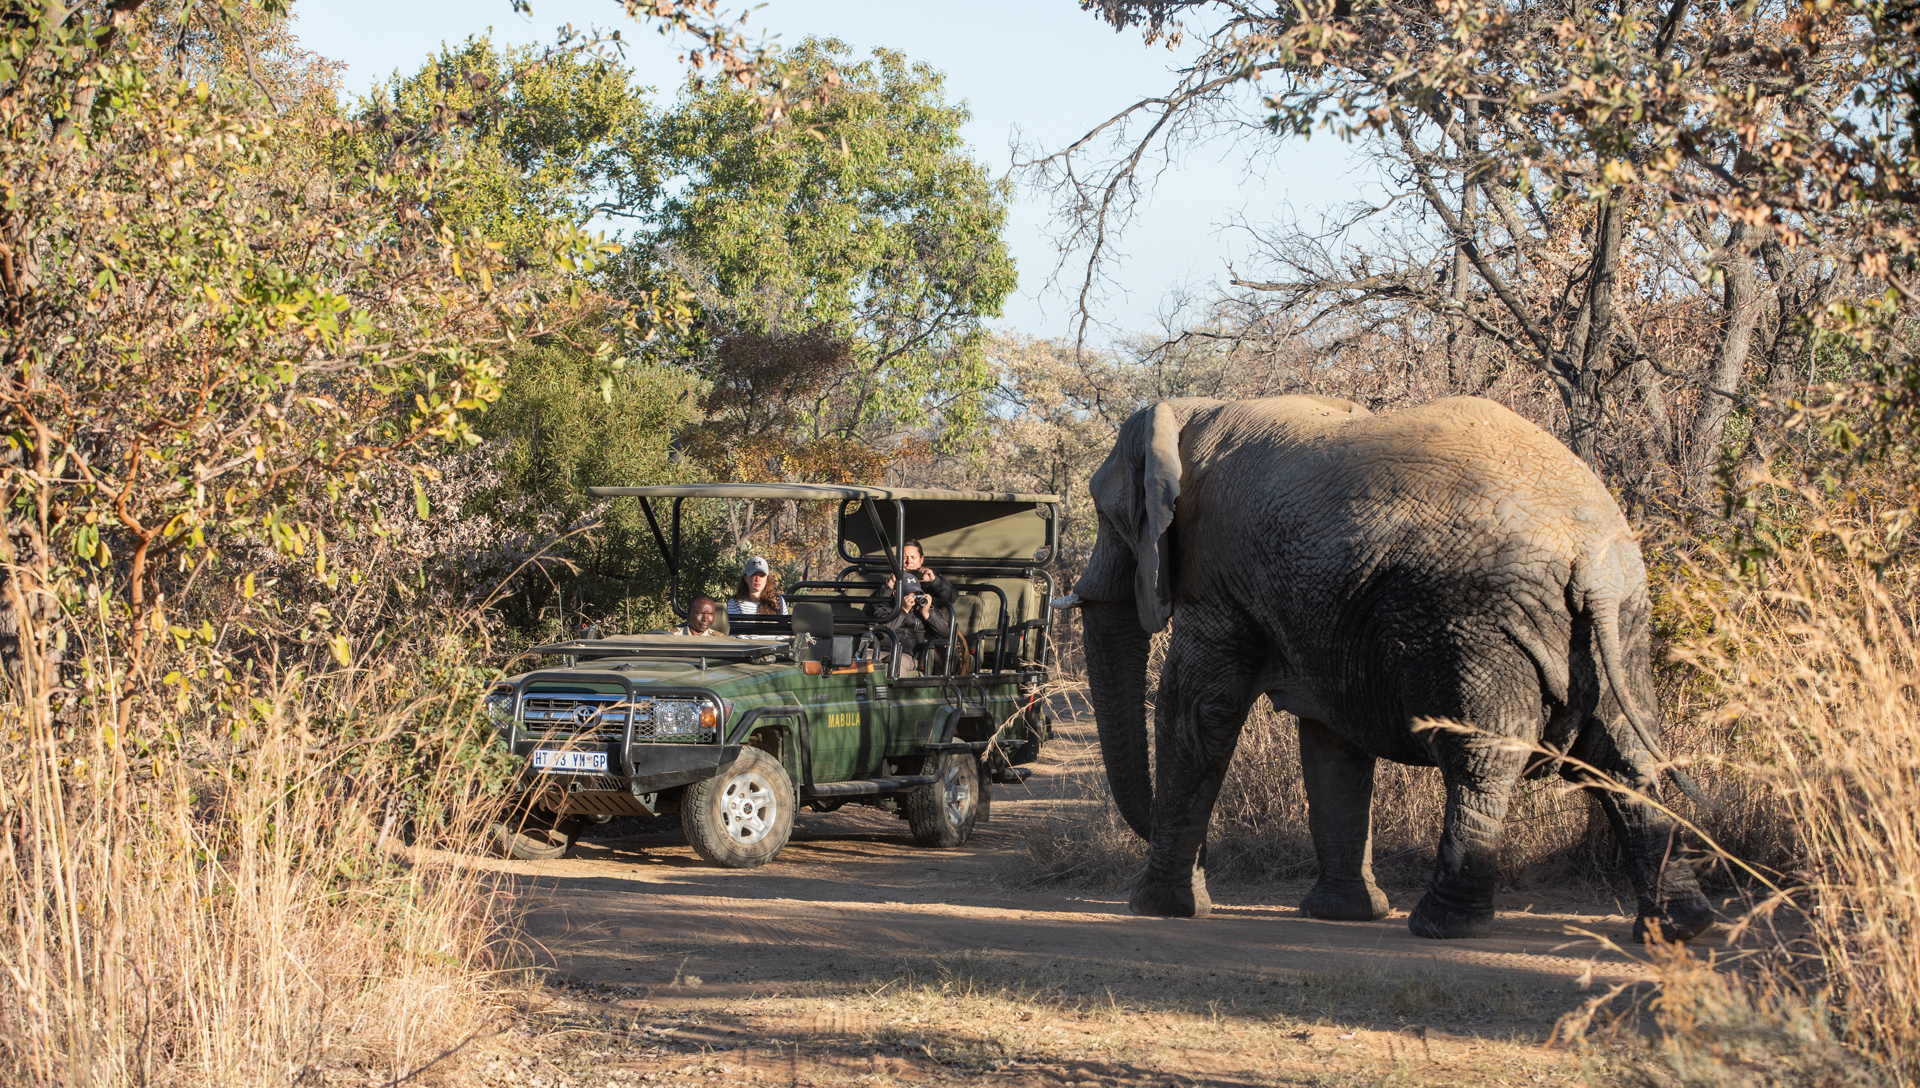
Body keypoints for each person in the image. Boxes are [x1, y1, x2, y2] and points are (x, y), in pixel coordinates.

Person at [864, 540, 954, 662]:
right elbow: (874, 607)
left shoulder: (930, 581)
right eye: (904, 558)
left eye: (913, 557)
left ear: (921, 559)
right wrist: (890, 584)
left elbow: (952, 598)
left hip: (918, 637)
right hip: (891, 634)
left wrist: (934, 581)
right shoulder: (892, 583)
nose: (908, 561)